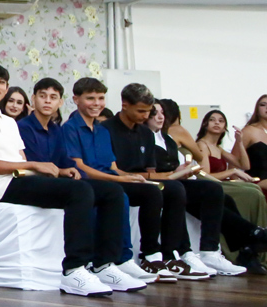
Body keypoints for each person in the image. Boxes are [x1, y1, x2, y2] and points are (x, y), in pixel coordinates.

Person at [0, 65, 135, 296]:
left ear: (7, 87)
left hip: (22, 179)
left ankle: (104, 264)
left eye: (1, 82)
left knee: (111, 192)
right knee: (79, 192)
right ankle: (74, 269)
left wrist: (58, 171)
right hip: (0, 186)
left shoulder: (8, 121)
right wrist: (33, 165)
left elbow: (21, 160)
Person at [102, 83, 244, 277]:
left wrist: (167, 175)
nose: (145, 116)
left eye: (148, 112)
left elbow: (150, 170)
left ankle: (203, 251)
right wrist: (158, 177)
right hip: (121, 180)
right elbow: (113, 169)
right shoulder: (106, 129)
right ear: (125, 105)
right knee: (162, 190)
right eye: (141, 111)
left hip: (146, 179)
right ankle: (151, 254)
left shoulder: (146, 133)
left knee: (211, 189)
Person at [61, 79, 175, 283]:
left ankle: (150, 254)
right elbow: (80, 166)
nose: (97, 103)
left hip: (108, 179)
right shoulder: (70, 128)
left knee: (151, 191)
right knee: (117, 194)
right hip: (87, 182)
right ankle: (118, 258)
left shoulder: (102, 130)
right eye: (90, 98)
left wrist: (129, 176)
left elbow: (112, 166)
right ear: (76, 100)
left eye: (100, 98)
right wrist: (120, 178)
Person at [156, 101, 267, 274]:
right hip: (190, 180)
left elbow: (244, 165)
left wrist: (239, 142)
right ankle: (251, 236)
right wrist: (232, 171)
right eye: (213, 120)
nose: (217, 123)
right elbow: (202, 165)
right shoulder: (186, 136)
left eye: (221, 121)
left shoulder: (216, 147)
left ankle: (245, 245)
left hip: (192, 180)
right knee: (244, 192)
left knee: (228, 195)